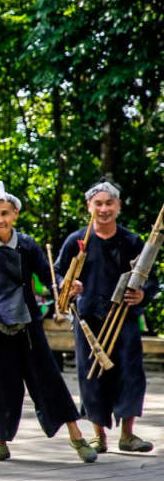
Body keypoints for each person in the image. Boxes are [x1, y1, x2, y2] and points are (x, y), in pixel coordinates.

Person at [0, 180, 96, 464]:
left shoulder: (27, 245)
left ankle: (77, 437)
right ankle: (0, 443)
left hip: (28, 326)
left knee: (48, 381)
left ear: (15, 215)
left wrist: (67, 284)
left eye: (5, 213)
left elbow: (51, 278)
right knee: (0, 385)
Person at [55, 181, 159, 454]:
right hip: (88, 318)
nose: (103, 209)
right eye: (98, 204)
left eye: (109, 203)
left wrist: (142, 295)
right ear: (89, 207)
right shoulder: (77, 241)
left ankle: (128, 435)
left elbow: (151, 280)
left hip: (124, 318)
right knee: (91, 377)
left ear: (118, 206)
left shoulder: (132, 241)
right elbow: (56, 275)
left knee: (130, 373)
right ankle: (98, 436)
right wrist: (69, 285)